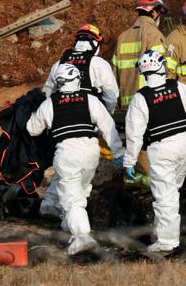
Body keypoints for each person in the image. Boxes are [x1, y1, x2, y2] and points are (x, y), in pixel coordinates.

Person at [123, 50, 186, 255]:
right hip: (185, 142)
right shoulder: (178, 87)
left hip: (162, 147)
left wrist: (129, 161)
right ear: (162, 67)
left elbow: (134, 134)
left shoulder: (141, 98)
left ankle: (167, 241)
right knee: (171, 190)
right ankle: (160, 234)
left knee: (165, 195)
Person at [26, 63, 123, 256]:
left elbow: (32, 128)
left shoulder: (50, 103)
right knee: (81, 190)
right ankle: (68, 226)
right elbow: (107, 126)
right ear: (77, 79)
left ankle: (82, 237)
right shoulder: (90, 99)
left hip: (67, 152)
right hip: (91, 152)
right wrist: (119, 153)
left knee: (72, 199)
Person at [43, 23, 118, 114]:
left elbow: (47, 93)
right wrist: (107, 114)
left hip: (62, 117)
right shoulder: (99, 64)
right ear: (96, 44)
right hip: (90, 120)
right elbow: (111, 95)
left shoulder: (59, 63)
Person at [112, 0, 169, 112]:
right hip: (149, 103)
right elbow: (162, 70)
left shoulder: (122, 37)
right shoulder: (153, 34)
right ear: (154, 13)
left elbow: (115, 72)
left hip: (126, 105)